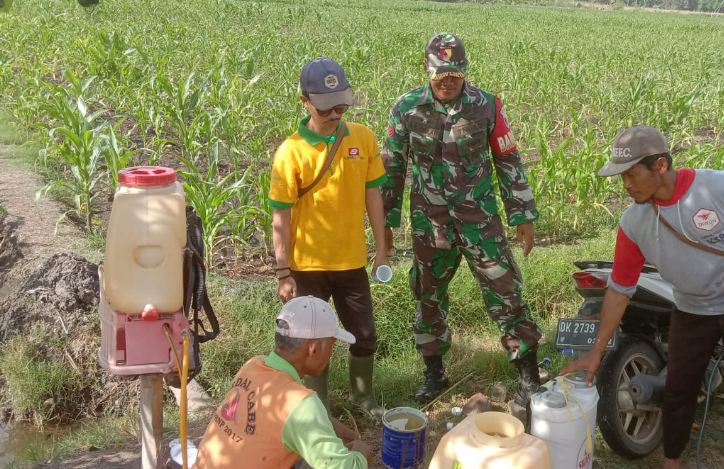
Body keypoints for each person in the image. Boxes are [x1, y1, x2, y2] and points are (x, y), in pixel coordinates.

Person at [561, 125, 724, 469]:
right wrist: (595, 353)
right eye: (621, 176)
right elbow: (621, 288)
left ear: (661, 166)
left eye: (632, 173)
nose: (626, 184)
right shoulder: (633, 223)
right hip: (692, 308)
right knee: (678, 390)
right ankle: (673, 460)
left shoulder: (719, 186)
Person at [381, 33, 542, 406]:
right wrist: (386, 226)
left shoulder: (487, 106)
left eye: (455, 71)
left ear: (465, 70)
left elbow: (508, 160)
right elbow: (391, 168)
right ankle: (434, 373)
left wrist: (523, 214)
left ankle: (528, 376)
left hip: (480, 222)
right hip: (430, 224)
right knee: (427, 297)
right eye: (440, 72)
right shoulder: (406, 108)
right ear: (427, 69)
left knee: (506, 291)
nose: (448, 79)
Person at [268, 57, 388, 418]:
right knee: (311, 341)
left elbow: (374, 197)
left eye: (341, 105)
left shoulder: (363, 138)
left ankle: (362, 398)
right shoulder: (290, 152)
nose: (335, 113)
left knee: (364, 335)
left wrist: (381, 250)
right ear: (305, 101)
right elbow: (280, 216)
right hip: (308, 268)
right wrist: (283, 272)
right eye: (326, 107)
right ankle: (317, 406)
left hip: (352, 262)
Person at [194, 296, 373, 469]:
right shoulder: (301, 404)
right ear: (314, 348)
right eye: (331, 345)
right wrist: (361, 454)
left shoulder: (253, 366)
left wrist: (346, 434)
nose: (331, 353)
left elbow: (292, 418)